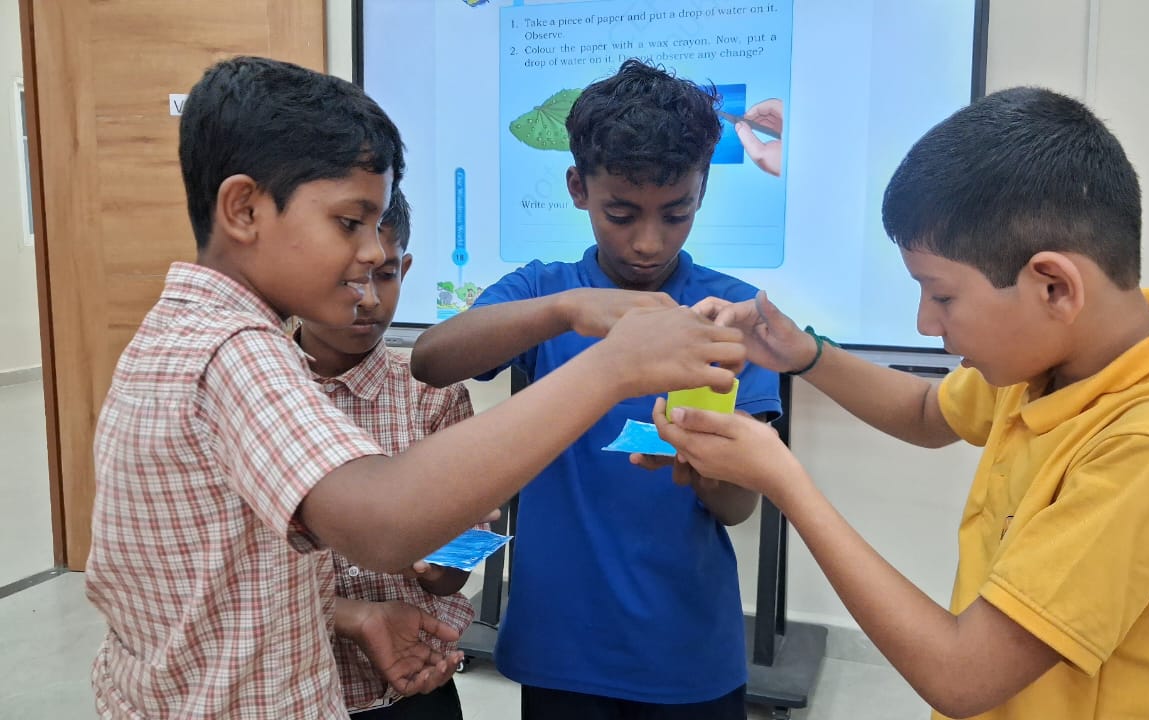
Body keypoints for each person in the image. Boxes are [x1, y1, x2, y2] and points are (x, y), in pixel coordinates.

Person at [84, 55, 745, 719]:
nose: (374, 254)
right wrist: (610, 368)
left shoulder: (179, 332)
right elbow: (383, 525)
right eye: (350, 223)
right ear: (244, 209)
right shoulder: (236, 351)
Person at [657, 86, 1149, 719]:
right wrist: (804, 354)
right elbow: (927, 413)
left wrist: (785, 481)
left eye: (941, 296)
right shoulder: (1055, 361)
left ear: (1054, 287)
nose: (925, 323)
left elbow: (963, 674)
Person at [411, 59, 782, 720]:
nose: (648, 243)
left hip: (688, 652)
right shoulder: (544, 291)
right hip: (561, 647)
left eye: (676, 213)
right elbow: (432, 359)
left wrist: (707, 468)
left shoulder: (731, 314)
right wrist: (566, 311)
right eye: (621, 214)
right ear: (578, 188)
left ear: (702, 190)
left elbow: (737, 508)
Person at [298, 188, 481, 719]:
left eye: (385, 275)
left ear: (405, 268)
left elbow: (455, 568)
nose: (370, 300)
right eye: (348, 278)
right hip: (297, 687)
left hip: (414, 688)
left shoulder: (435, 397)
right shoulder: (256, 394)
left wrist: (438, 564)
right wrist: (352, 615)